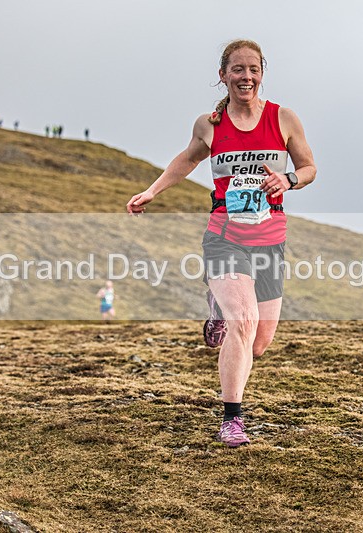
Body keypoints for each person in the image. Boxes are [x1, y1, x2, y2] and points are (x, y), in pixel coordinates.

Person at [126, 39, 316, 447]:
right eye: (238, 69)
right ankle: (233, 418)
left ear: (262, 73)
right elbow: (188, 158)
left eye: (253, 69)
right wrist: (152, 191)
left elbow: (309, 166)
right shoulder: (209, 125)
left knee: (257, 343)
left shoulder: (283, 119)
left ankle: (216, 306)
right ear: (223, 75)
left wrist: (289, 180)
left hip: (270, 240)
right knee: (242, 322)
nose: (246, 77)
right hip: (224, 238)